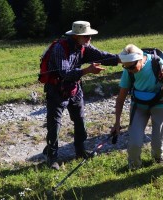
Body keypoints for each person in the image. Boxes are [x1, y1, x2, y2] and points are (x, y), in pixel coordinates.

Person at [43, 21, 119, 170]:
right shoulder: (60, 48)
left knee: (80, 121)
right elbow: (65, 74)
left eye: (90, 35)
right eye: (87, 36)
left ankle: (80, 151)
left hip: (75, 89)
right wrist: (87, 71)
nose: (90, 38)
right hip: (56, 91)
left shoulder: (84, 46)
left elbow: (101, 56)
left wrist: (120, 59)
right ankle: (51, 158)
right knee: (54, 126)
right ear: (77, 36)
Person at [111, 44, 163, 170]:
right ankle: (134, 165)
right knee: (134, 143)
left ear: (140, 59)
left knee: (158, 144)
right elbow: (120, 98)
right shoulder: (128, 69)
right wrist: (117, 122)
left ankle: (157, 158)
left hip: (160, 103)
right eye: (126, 67)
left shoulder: (157, 63)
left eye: (132, 67)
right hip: (139, 105)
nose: (129, 70)